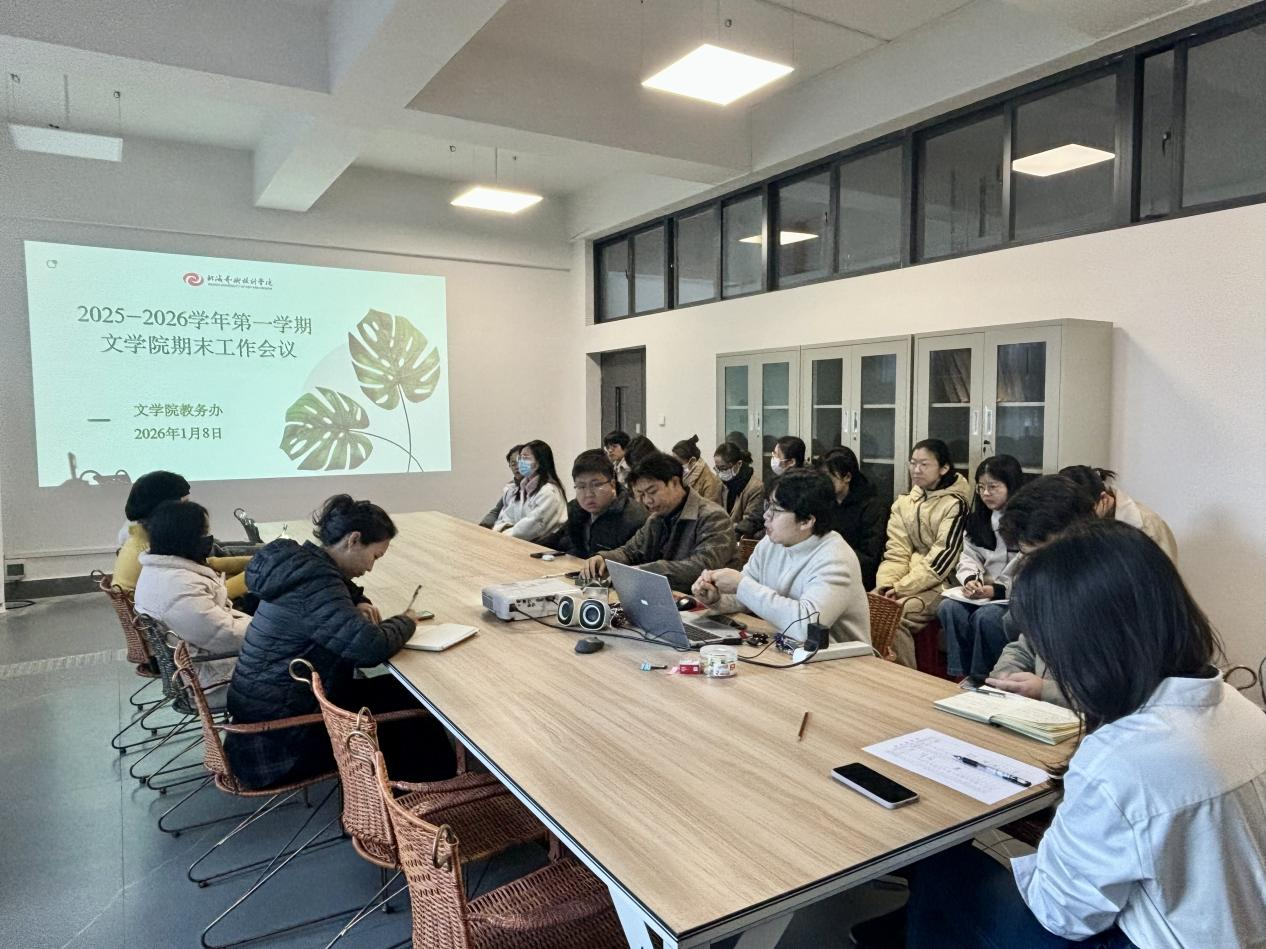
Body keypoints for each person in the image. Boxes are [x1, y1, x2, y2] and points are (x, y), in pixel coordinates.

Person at [902, 520, 1266, 949]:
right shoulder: (1243, 711)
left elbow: (1063, 914)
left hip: (1145, 939)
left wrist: (1050, 852)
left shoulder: (1120, 758)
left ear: (1085, 646)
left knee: (940, 861)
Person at [225, 495, 456, 790]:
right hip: (281, 745)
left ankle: (415, 793)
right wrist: (407, 621)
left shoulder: (301, 568)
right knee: (415, 711)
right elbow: (369, 648)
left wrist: (357, 600)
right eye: (375, 557)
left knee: (399, 692)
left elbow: (336, 597)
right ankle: (423, 801)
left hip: (266, 723)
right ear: (353, 540)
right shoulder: (314, 584)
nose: (371, 568)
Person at [692, 471, 870, 647]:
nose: (766, 515)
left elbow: (806, 627)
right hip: (786, 647)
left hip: (840, 658)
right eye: (768, 505)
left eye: (776, 510)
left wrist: (741, 585)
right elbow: (745, 599)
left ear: (806, 521)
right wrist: (716, 599)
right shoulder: (771, 543)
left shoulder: (835, 559)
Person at [985, 474, 1097, 705]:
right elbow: (1026, 645)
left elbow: (1121, 694)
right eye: (1027, 555)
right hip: (1038, 713)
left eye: (1042, 556)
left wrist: (1045, 690)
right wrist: (1005, 676)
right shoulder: (1046, 586)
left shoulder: (1109, 593)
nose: (1034, 568)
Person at [874, 439, 971, 667]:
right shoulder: (905, 503)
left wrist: (901, 589)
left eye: (924, 464)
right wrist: (886, 586)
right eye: (913, 463)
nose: (916, 470)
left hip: (943, 584)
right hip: (906, 580)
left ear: (944, 468)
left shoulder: (956, 504)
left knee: (894, 617)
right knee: (870, 608)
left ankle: (905, 680)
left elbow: (942, 561)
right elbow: (896, 552)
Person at [579, 452, 736, 592]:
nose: (647, 500)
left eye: (652, 492)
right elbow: (631, 551)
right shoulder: (656, 518)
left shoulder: (713, 517)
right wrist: (604, 558)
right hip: (667, 596)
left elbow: (703, 567)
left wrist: (649, 571)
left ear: (675, 482)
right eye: (641, 494)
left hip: (706, 603)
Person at [133, 500, 249, 687]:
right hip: (217, 680)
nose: (209, 539)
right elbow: (227, 636)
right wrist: (271, 629)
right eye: (203, 533)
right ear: (186, 537)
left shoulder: (159, 571)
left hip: (204, 666)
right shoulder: (179, 587)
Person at [938, 455, 1023, 681]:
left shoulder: (1027, 523)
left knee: (987, 617)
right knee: (949, 608)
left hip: (1013, 596)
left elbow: (1027, 567)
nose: (986, 493)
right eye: (981, 487)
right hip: (984, 593)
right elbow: (969, 557)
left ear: (1012, 485)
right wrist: (971, 580)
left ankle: (981, 677)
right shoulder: (978, 520)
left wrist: (997, 590)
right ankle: (959, 673)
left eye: (993, 487)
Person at [112, 469, 251, 600]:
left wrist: (254, 565)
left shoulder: (142, 536)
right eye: (185, 504)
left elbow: (206, 565)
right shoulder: (152, 548)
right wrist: (256, 574)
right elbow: (210, 595)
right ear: (167, 510)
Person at [1059, 465, 1177, 562]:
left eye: (1085, 513)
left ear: (1104, 499)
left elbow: (1164, 578)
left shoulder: (1149, 525)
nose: (1079, 522)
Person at [815, 447, 888, 590]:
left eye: (829, 477)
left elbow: (869, 556)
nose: (823, 483)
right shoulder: (824, 500)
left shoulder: (873, 506)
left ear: (847, 477)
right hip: (823, 568)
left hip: (854, 576)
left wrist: (830, 559)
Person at [558, 449, 647, 559]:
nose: (588, 494)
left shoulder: (635, 518)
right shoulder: (575, 508)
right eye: (581, 486)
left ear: (612, 485)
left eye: (596, 485)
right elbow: (565, 543)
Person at [492, 439, 568, 542]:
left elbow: (532, 526)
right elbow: (506, 516)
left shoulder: (549, 491)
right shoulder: (521, 489)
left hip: (543, 546)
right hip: (517, 541)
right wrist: (499, 531)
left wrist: (504, 535)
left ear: (539, 461)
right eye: (520, 458)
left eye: (525, 458)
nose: (520, 463)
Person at [714, 440, 765, 538]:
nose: (720, 472)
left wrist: (727, 530)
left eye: (724, 468)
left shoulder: (755, 487)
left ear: (739, 464)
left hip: (740, 536)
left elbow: (752, 521)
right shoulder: (720, 482)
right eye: (717, 468)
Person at [478, 444, 524, 529]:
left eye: (520, 463)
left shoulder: (536, 489)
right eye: (513, 464)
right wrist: (483, 527)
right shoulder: (511, 487)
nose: (517, 467)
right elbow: (496, 512)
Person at [672, 434, 724, 505]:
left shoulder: (710, 482)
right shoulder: (684, 477)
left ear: (692, 461)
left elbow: (711, 509)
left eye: (678, 463)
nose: (675, 467)